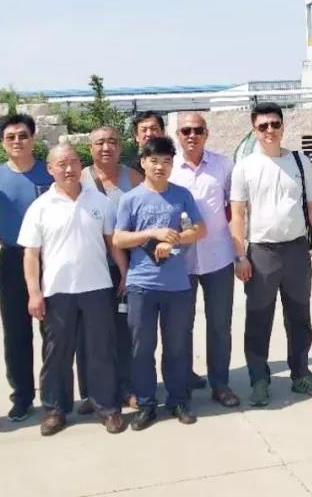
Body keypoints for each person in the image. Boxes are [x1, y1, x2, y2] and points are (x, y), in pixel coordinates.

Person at [17, 145, 128, 436]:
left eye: (74, 162)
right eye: (61, 164)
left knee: (101, 350)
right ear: (50, 169)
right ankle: (55, 410)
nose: (69, 169)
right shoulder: (40, 207)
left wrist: (124, 272)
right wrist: (34, 293)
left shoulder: (99, 201)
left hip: (97, 287)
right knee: (57, 353)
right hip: (57, 291)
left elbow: (112, 242)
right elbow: (31, 254)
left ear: (81, 165)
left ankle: (108, 408)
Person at [230, 102, 312, 407]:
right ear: (254, 131)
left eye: (275, 124)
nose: (270, 130)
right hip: (262, 253)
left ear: (283, 127)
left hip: (296, 250)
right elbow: (237, 214)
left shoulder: (300, 161)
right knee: (259, 319)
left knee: (299, 316)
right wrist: (240, 255)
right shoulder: (244, 167)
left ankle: (301, 374)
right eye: (263, 126)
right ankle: (259, 380)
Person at [113, 136, 207, 430]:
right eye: (154, 161)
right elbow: (118, 239)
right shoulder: (130, 199)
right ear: (143, 162)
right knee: (142, 348)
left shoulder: (181, 195)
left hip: (177, 285)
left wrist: (174, 240)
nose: (160, 167)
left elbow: (199, 230)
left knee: (176, 347)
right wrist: (152, 233)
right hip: (141, 285)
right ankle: (146, 404)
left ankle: (178, 400)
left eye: (166, 161)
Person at [0, 114, 53, 422]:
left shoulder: (48, 172)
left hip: (51, 258)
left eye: (23, 135)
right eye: (10, 137)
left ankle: (53, 395)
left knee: (53, 331)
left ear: (33, 139)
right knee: (16, 332)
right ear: (2, 142)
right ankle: (22, 396)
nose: (17, 141)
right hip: (13, 257)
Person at [170, 112, 240, 407]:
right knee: (180, 326)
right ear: (177, 135)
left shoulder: (224, 166)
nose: (192, 135)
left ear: (206, 133)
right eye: (186, 130)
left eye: (197, 130)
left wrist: (239, 252)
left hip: (218, 257)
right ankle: (182, 384)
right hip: (180, 262)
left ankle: (220, 384)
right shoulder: (168, 168)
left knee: (220, 325)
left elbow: (235, 210)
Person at [75, 125, 142, 412]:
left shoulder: (133, 178)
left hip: (126, 265)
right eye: (100, 142)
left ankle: (127, 387)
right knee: (89, 333)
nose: (106, 147)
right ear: (90, 148)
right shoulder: (80, 178)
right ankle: (91, 393)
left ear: (120, 146)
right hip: (90, 267)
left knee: (125, 330)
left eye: (113, 141)